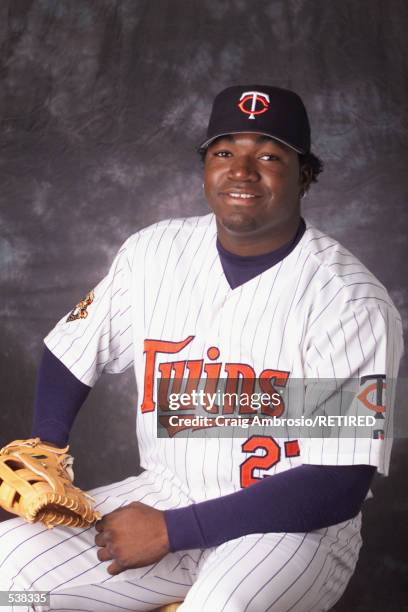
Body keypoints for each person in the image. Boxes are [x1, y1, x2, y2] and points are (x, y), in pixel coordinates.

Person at [0, 85, 403, 612]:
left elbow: (339, 482)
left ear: (304, 175)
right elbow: (73, 347)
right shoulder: (154, 252)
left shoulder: (348, 300)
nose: (242, 170)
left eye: (268, 155)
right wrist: (46, 447)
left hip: (293, 531)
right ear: (206, 167)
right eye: (224, 152)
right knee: (11, 579)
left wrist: (173, 530)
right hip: (169, 493)